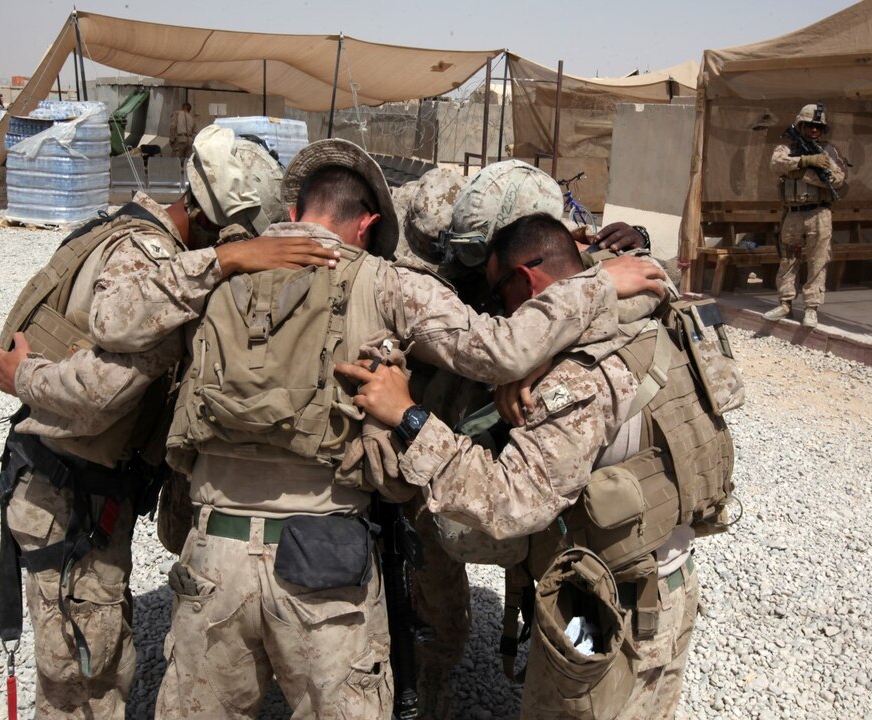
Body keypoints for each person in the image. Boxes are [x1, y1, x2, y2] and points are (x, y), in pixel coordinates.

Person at [86, 139, 667, 719]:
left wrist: (222, 260)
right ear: (366, 225)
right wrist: (599, 282)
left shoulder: (216, 273)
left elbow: (111, 321)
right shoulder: (388, 284)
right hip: (324, 560)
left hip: (212, 552)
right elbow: (502, 349)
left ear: (292, 214)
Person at [0, 127, 335, 719]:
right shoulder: (154, 265)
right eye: (239, 237)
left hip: (77, 490)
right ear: (209, 221)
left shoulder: (130, 228)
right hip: (68, 499)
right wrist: (24, 378)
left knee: (90, 649)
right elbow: (101, 393)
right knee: (85, 679)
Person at [338, 212, 736, 720]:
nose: (503, 318)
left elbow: (511, 502)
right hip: (671, 585)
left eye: (498, 296)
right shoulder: (660, 315)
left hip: (608, 607)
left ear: (524, 281)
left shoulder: (580, 378)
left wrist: (409, 417)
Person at [763, 102, 848, 329]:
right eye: (809, 126)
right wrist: (804, 161)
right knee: (788, 259)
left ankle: (811, 308)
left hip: (819, 212)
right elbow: (776, 164)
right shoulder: (786, 149)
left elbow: (838, 180)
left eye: (818, 127)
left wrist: (805, 173)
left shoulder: (829, 152)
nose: (814, 131)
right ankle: (785, 303)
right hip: (793, 213)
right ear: (800, 126)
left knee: (818, 261)